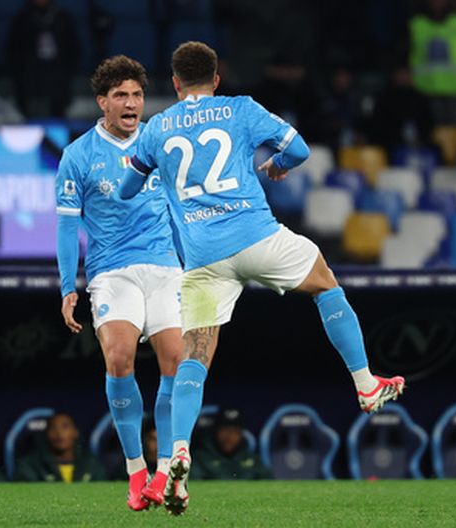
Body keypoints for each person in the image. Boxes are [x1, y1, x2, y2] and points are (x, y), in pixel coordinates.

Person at [120, 41, 405, 515]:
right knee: (325, 282)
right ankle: (364, 382)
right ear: (216, 79)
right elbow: (298, 149)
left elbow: (130, 187)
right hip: (255, 236)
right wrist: (274, 165)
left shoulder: (156, 129)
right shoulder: (240, 109)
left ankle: (180, 450)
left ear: (174, 83)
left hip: (203, 257)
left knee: (195, 353)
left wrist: (155, 174)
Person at [55, 55, 183, 510]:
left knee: (175, 363)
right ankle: (136, 471)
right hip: (112, 270)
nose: (131, 104)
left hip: (166, 266)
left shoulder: (160, 142)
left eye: (137, 95)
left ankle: (166, 470)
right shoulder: (78, 156)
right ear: (102, 103)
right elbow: (68, 228)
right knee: (119, 359)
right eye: (121, 96)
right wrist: (68, 286)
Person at [7, 0, 80, 117]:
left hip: (57, 70)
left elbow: (73, 48)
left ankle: (57, 129)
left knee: (58, 99)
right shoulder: (22, 18)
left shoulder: (61, 17)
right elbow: (14, 50)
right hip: (30, 74)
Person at [14, 413, 106, 483]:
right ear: (46, 434)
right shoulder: (30, 465)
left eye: (65, 427)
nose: (59, 433)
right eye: (53, 428)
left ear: (75, 432)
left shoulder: (91, 463)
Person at [190, 408, 270, 481]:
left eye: (234, 431)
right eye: (225, 430)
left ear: (241, 434)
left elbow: (269, 484)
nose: (229, 436)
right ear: (215, 431)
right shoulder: (200, 458)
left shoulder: (253, 460)